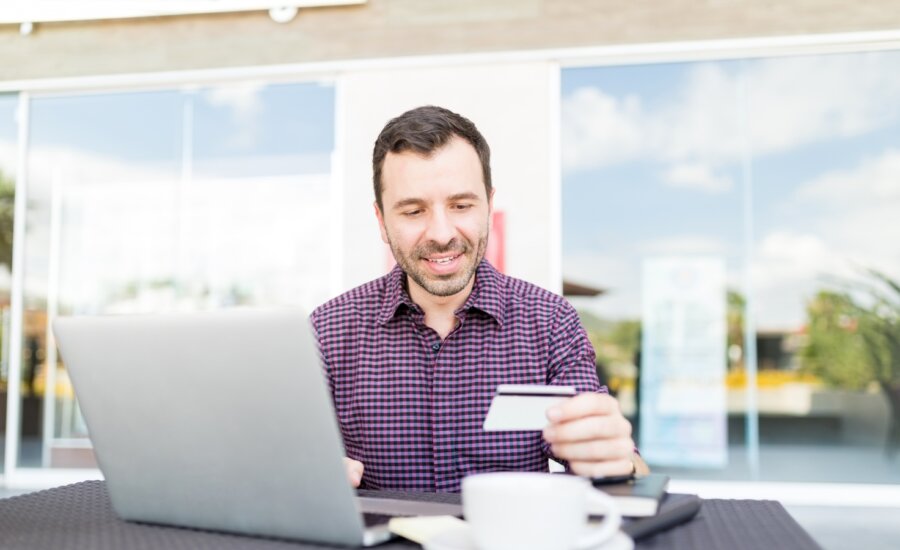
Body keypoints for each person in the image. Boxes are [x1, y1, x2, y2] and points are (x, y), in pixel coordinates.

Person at [310, 105, 648, 492]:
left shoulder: (551, 322)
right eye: (413, 210)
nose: (440, 233)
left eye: (461, 205)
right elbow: (289, 465)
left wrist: (617, 458)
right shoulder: (326, 331)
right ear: (381, 221)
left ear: (488, 205)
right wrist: (308, 476)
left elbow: (626, 477)